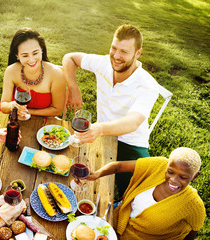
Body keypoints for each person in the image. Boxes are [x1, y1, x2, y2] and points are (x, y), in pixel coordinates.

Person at [62, 25, 159, 198]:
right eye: (114, 48)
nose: (116, 56)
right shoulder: (103, 63)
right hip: (101, 134)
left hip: (131, 142)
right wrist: (73, 87)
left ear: (138, 53)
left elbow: (133, 121)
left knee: (138, 192)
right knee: (69, 170)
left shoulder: (148, 85)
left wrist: (100, 128)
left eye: (124, 51)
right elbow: (69, 58)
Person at [85, 147, 206, 240]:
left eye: (183, 177)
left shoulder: (193, 204)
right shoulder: (159, 165)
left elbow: (193, 231)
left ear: (194, 176)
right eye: (170, 172)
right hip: (118, 216)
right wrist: (97, 174)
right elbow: (119, 166)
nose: (174, 180)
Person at [0, 28, 66, 118]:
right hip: (12, 115)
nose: (31, 60)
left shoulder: (56, 74)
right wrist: (12, 106)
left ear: (41, 49)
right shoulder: (11, 70)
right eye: (25, 55)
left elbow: (57, 110)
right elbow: (3, 106)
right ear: (17, 55)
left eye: (35, 53)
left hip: (41, 119)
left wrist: (27, 112)